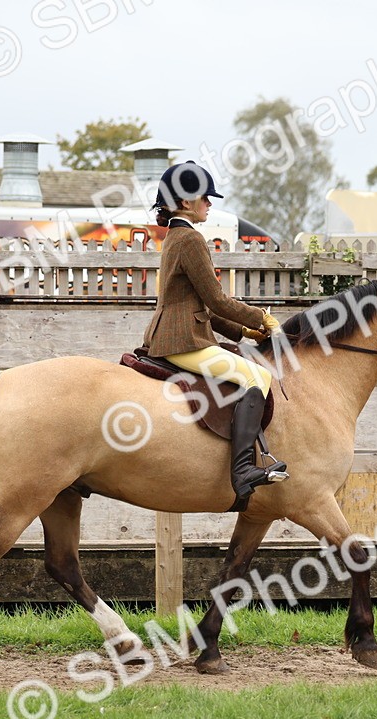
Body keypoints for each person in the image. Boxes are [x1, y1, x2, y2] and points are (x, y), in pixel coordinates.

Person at [142, 161, 288, 503]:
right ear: (185, 202)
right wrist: (263, 318)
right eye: (204, 197)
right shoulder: (190, 239)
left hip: (177, 333)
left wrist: (248, 334)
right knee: (258, 377)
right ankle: (242, 471)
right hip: (182, 341)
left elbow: (202, 308)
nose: (209, 202)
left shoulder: (176, 236)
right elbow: (217, 300)